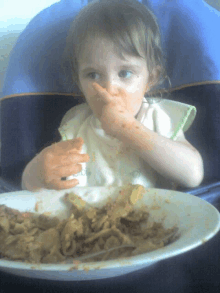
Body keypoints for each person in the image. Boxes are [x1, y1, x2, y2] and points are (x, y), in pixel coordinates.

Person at [21, 0, 204, 191]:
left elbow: (193, 175)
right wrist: (34, 173)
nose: (109, 88)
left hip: (152, 216)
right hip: (88, 217)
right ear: (78, 81)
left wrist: (129, 129)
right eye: (93, 75)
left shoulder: (158, 118)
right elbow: (39, 188)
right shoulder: (76, 125)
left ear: (151, 78)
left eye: (125, 73)